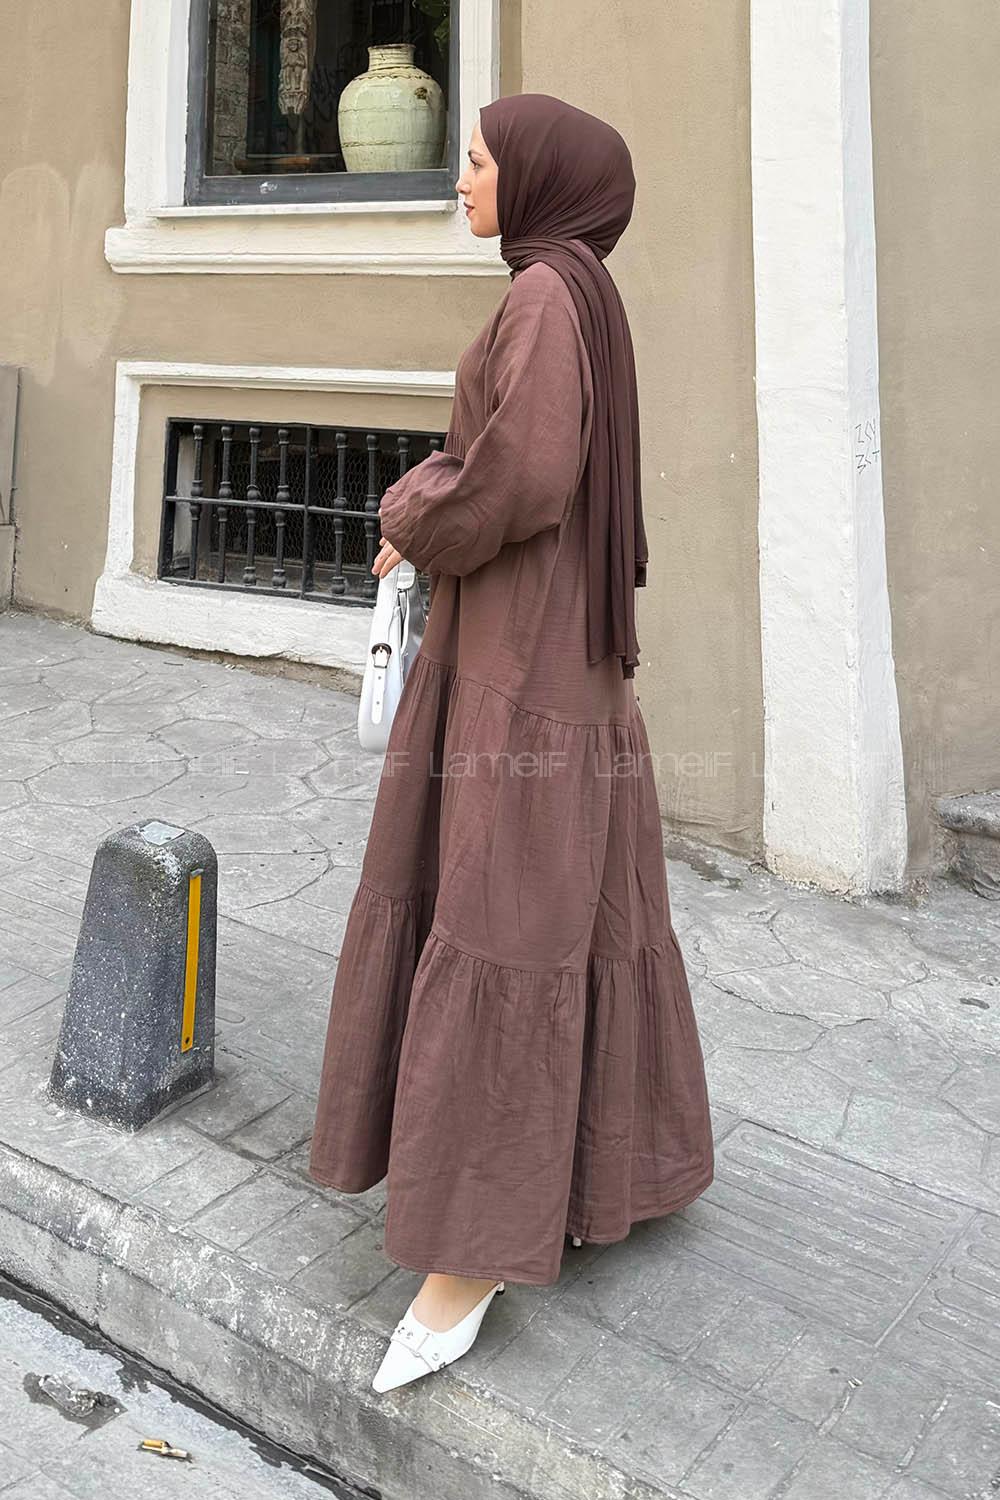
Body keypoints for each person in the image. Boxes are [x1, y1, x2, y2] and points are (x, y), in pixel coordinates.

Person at [308, 92, 714, 1393]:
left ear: (538, 179)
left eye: (479, 162)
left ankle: (466, 1261)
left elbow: (522, 474)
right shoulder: (580, 289)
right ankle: (599, 1174)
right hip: (558, 656)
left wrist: (415, 504)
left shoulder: (546, 295)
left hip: (521, 668)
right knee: (563, 905)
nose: (465, 181)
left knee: (504, 912)